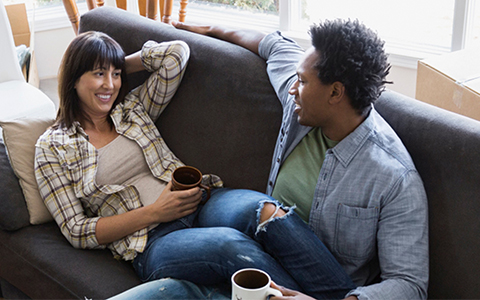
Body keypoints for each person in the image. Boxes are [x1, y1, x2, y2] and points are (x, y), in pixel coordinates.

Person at [109, 18, 429, 300]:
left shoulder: (394, 177)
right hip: (252, 225)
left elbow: (409, 284)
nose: (293, 89)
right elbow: (273, 44)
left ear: (335, 93)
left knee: (181, 289)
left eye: (303, 82)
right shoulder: (301, 102)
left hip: (300, 280)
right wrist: (209, 29)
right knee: (263, 212)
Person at [34, 31, 354, 299]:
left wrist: (116, 62)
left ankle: (348, 296)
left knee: (267, 211)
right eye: (97, 73)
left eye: (115, 74)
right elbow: (76, 230)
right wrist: (155, 212)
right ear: (73, 77)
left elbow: (175, 55)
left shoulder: (131, 108)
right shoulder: (52, 148)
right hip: (152, 241)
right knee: (230, 247)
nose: (110, 85)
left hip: (201, 201)